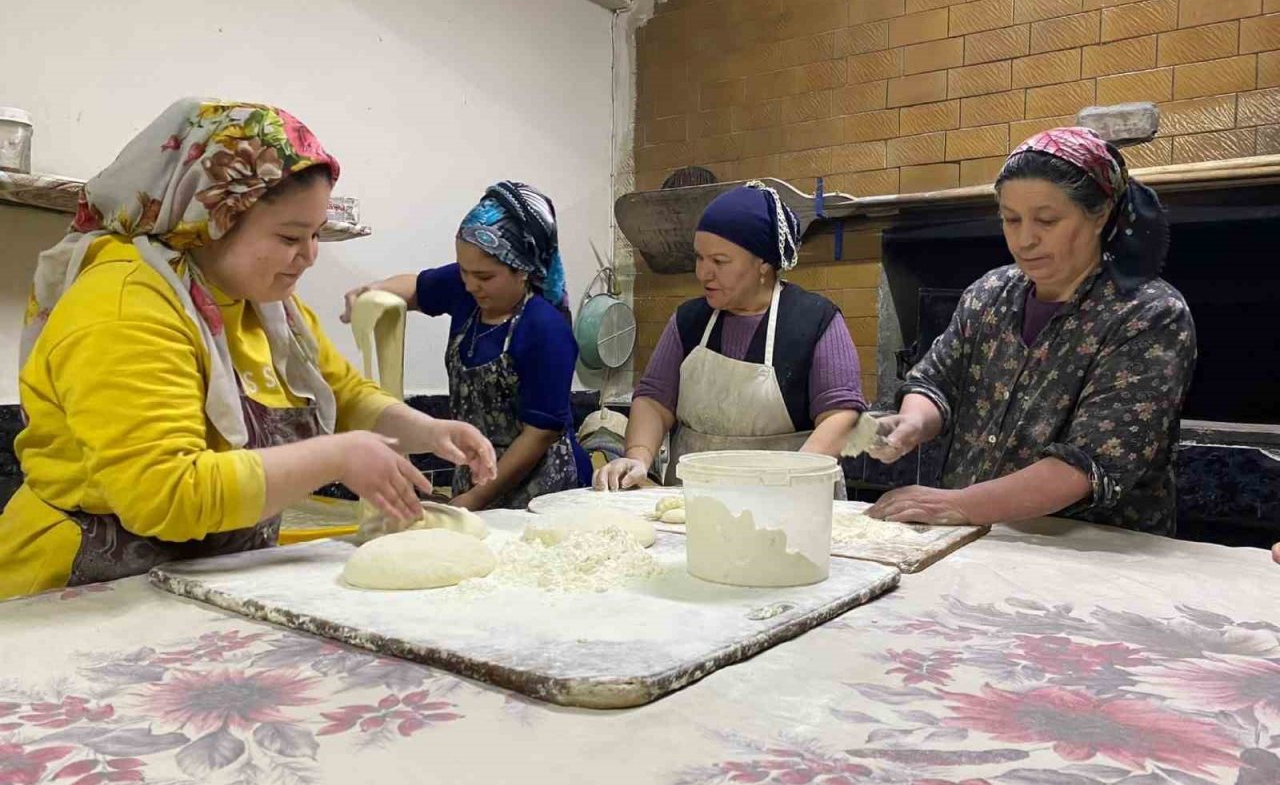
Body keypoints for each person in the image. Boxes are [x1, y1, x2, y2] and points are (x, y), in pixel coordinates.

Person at [0, 99, 495, 599]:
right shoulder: (126, 304)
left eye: (316, 234)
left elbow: (342, 395)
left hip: (190, 584)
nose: (308, 257)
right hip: (73, 593)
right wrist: (335, 457)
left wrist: (427, 430)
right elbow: (164, 494)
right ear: (213, 217)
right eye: (289, 236)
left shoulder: (267, 307)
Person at [867, 127, 1196, 536]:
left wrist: (957, 504)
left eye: (1047, 220)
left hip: (1093, 554)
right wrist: (914, 422)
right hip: (973, 536)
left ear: (1100, 213)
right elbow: (935, 381)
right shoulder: (990, 294)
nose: (1025, 240)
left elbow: (1087, 466)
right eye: (1011, 220)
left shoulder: (1148, 314)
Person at [595, 181, 868, 491]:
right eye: (699, 258)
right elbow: (655, 402)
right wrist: (638, 456)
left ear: (763, 263)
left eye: (719, 262)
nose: (703, 273)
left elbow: (841, 415)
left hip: (790, 501)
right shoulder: (688, 321)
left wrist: (788, 478)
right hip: (695, 500)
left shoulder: (816, 320)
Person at [342, 182, 589, 510]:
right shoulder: (465, 289)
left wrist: (475, 498)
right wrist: (371, 292)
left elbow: (539, 433)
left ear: (523, 270)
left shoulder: (545, 329)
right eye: (464, 271)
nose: (471, 284)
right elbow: (416, 287)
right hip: (475, 470)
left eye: (485, 277)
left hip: (539, 487)